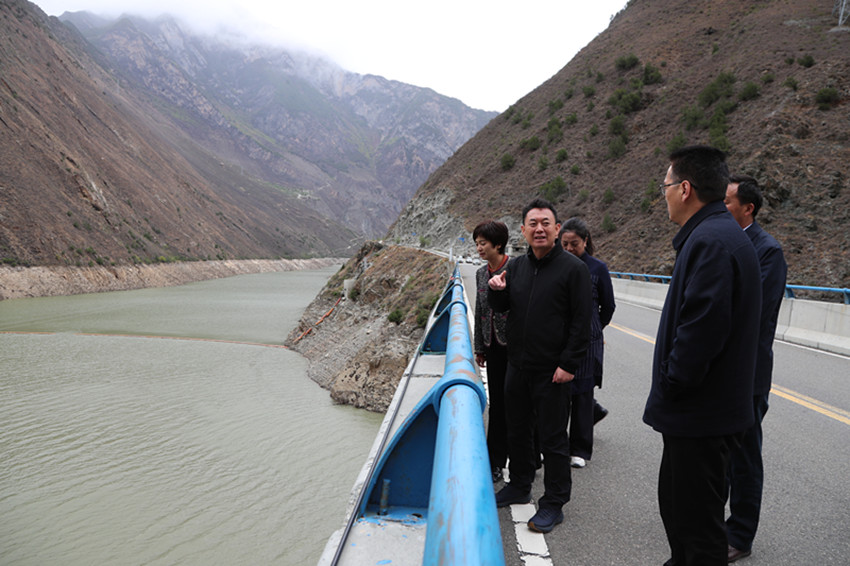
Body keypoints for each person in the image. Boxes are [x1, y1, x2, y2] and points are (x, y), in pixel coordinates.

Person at [642, 145, 762, 566]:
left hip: (700, 417)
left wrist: (672, 383)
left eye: (666, 185)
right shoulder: (714, 235)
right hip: (700, 415)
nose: (664, 194)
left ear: (685, 188)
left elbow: (700, 334)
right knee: (682, 515)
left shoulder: (711, 241)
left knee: (699, 528)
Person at [488, 198, 592, 534]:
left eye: (546, 223)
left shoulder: (574, 269)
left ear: (557, 228)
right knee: (517, 430)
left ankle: (554, 503)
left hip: (553, 371)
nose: (539, 229)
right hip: (518, 365)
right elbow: (504, 307)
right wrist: (496, 291)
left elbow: (582, 322)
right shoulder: (517, 267)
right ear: (523, 230)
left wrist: (569, 364)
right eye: (532, 223)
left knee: (553, 438)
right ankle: (520, 484)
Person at [723, 174, 788, 563]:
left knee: (744, 458)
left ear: (747, 208)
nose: (720, 207)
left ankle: (740, 535)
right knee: (719, 456)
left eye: (727, 201)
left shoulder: (768, 251)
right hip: (722, 375)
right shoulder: (724, 244)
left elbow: (752, 313)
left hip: (748, 376)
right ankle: (713, 524)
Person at [559, 217, 616, 469]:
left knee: (582, 395)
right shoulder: (556, 265)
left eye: (574, 244)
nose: (569, 249)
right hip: (559, 340)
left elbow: (608, 305)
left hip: (587, 343)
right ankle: (555, 444)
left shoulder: (597, 268)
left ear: (585, 241)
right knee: (559, 394)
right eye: (564, 244)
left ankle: (579, 449)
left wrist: (594, 329)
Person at [472, 219, 511, 483]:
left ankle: (528, 456)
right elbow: (479, 310)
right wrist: (479, 347)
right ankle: (495, 462)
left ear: (498, 244)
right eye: (477, 243)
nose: (479, 248)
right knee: (496, 405)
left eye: (483, 243)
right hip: (492, 346)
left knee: (518, 403)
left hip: (516, 347)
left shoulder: (516, 269)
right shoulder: (480, 273)